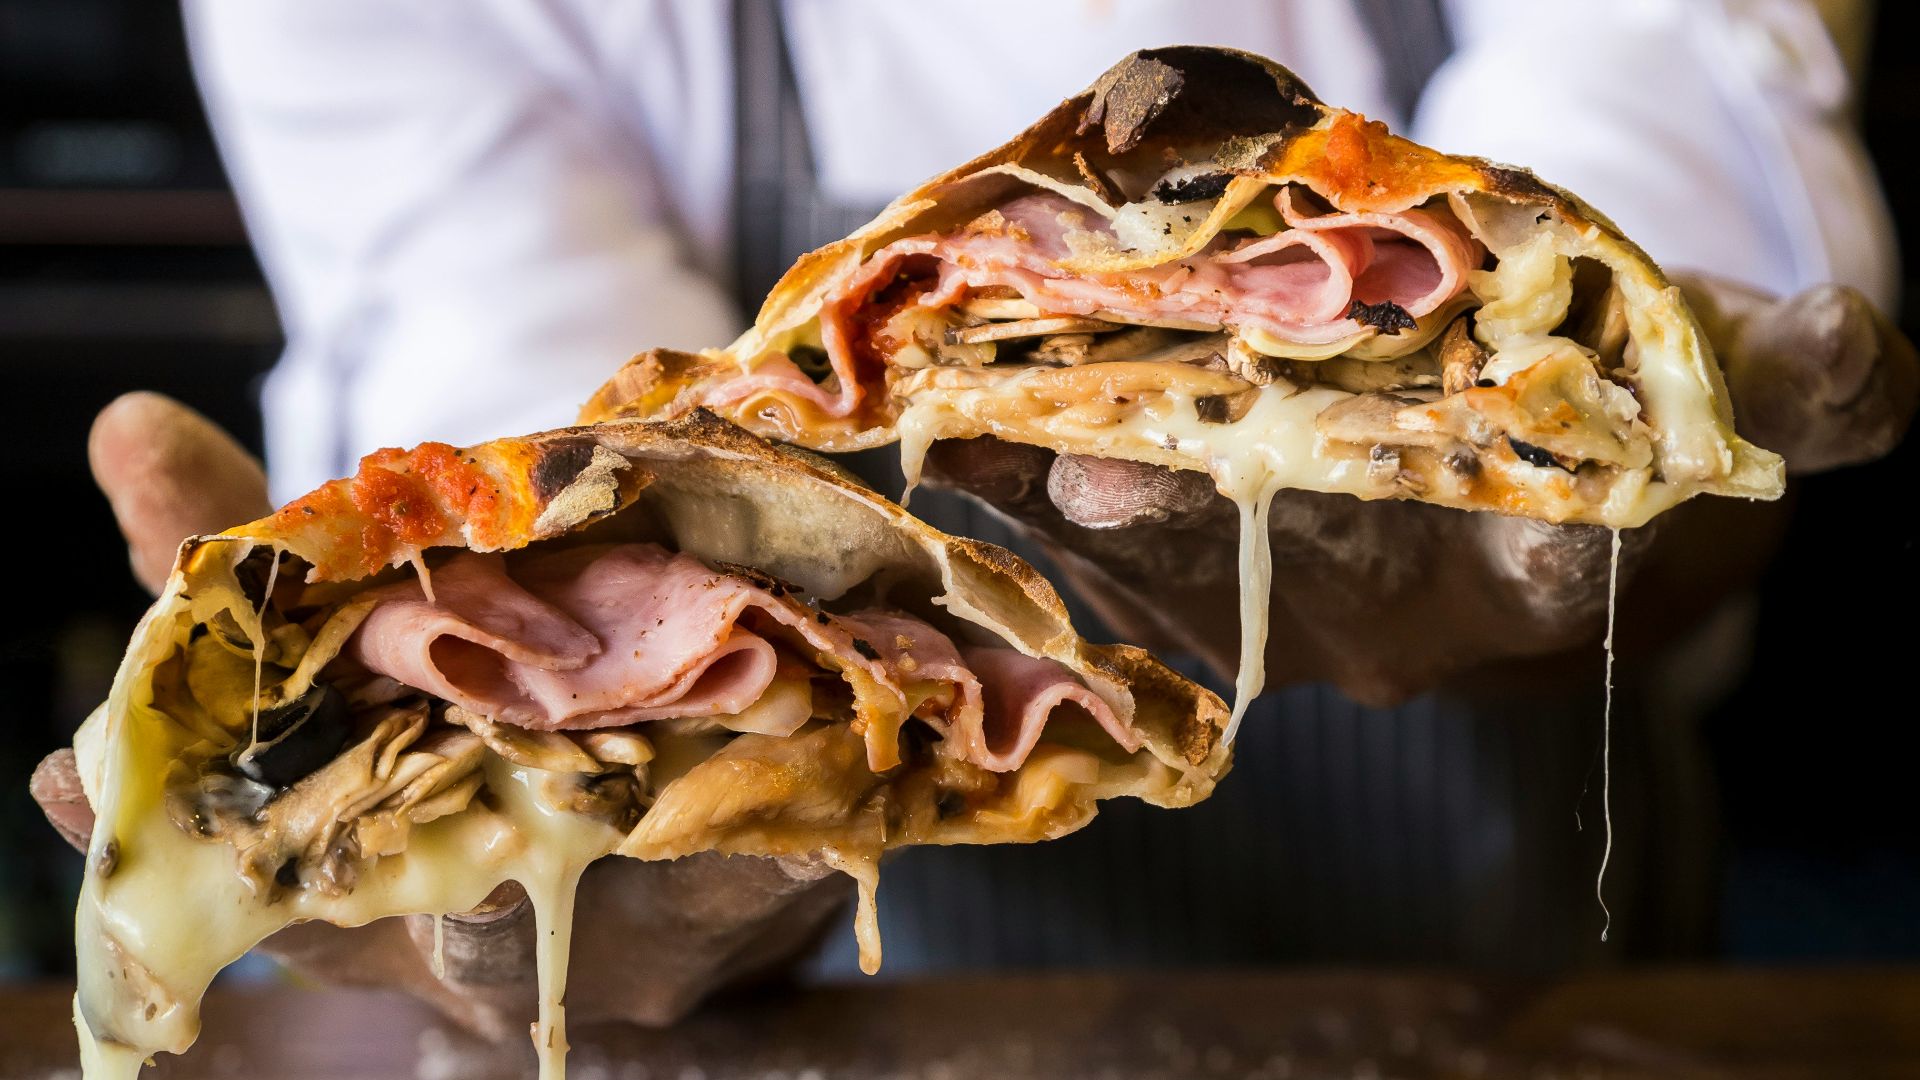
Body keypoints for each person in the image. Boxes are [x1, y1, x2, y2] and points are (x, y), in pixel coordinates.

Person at [32, 0, 1918, 1041]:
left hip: (1533, 991)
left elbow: (1671, 125)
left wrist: (1611, 412)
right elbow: (531, 434)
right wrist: (577, 743)